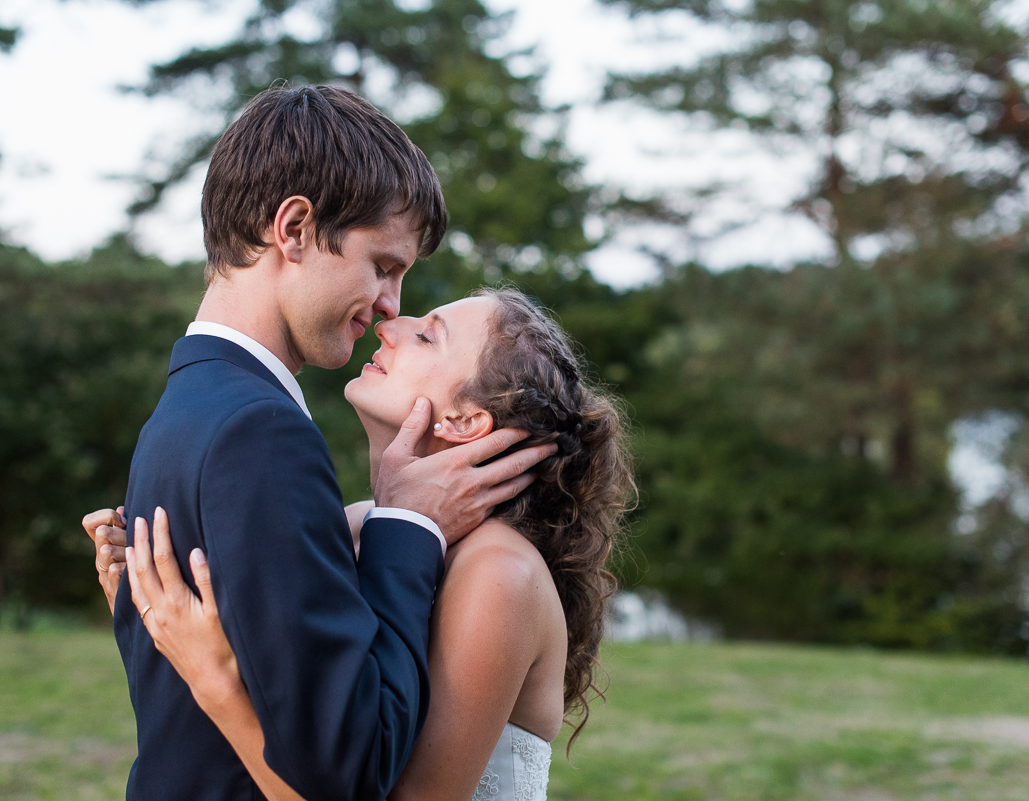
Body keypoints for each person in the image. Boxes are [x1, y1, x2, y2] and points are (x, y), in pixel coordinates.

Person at [84, 84, 557, 801]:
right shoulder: (260, 431)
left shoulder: (184, 410)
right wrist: (406, 523)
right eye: (384, 265)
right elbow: (347, 763)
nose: (391, 307)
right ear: (295, 228)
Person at [90, 288, 634, 801]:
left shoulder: (499, 571)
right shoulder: (354, 527)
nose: (388, 325)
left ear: (465, 421)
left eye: (427, 336)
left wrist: (212, 679)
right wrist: (144, 608)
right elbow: (299, 723)